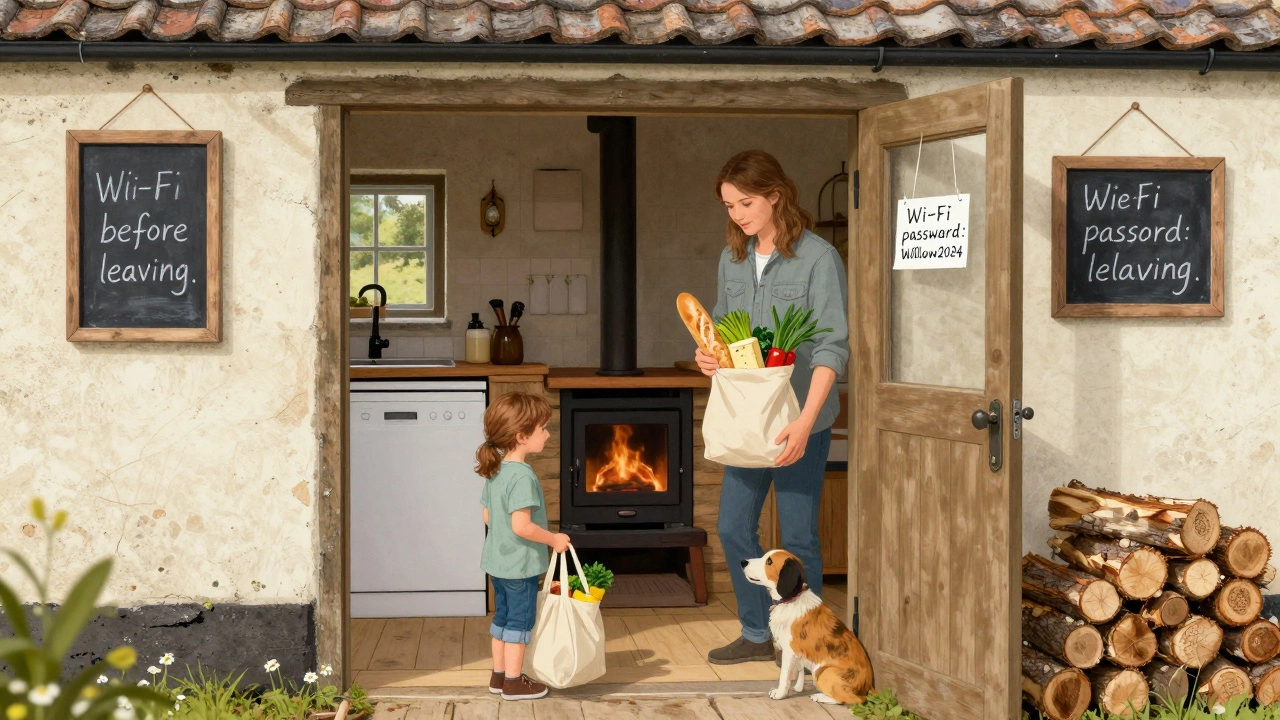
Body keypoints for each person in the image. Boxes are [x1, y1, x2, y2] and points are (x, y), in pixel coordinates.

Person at [694, 150, 850, 665]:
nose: (737, 214)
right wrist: (707, 357)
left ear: (775, 195)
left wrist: (805, 421)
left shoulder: (818, 258)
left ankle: (809, 646)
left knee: (800, 533)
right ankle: (758, 635)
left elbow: (831, 346)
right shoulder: (732, 259)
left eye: (746, 202)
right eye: (729, 206)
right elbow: (720, 328)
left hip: (798, 421)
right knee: (734, 527)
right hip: (748, 420)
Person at [475, 392, 572, 700]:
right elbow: (522, 526)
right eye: (543, 428)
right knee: (520, 622)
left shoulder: (496, 470)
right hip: (519, 568)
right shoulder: (524, 476)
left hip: (497, 564)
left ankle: (499, 676)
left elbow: (487, 515)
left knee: (501, 618)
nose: (547, 433)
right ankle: (515, 682)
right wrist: (554, 539)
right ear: (522, 436)